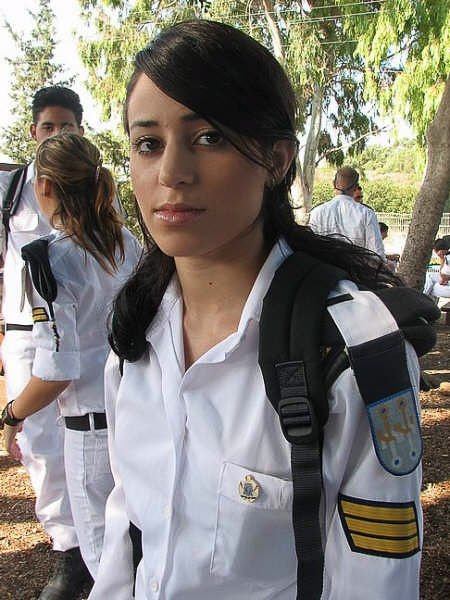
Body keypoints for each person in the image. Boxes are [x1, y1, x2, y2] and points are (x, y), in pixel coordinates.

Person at [88, 20, 422, 600]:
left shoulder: (349, 349)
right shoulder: (135, 338)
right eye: (148, 144)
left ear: (276, 158)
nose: (171, 173)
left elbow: (378, 580)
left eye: (209, 137)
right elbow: (129, 530)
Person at [1, 132, 142, 585]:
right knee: (139, 549)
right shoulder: (126, 243)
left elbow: (59, 370)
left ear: (44, 188)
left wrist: (11, 413)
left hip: (92, 432)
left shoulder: (51, 260)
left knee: (105, 564)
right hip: (137, 418)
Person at [0, 86, 90, 599]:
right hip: (24, 333)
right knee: (38, 443)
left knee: (90, 434)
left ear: (80, 130)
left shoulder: (93, 186)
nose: (56, 134)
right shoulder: (13, 189)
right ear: (33, 132)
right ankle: (70, 549)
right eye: (48, 127)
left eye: (66, 126)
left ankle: (102, 544)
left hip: (82, 333)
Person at [309, 166, 385, 258]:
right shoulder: (366, 214)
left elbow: (311, 249)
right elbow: (377, 255)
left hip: (324, 270)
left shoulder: (317, 212)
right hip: (356, 271)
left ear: (334, 184)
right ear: (356, 187)